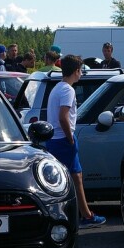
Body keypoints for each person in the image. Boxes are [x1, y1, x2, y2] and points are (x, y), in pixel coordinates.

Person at [45, 54, 106, 229]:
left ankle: (81, 214)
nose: (81, 74)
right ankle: (86, 216)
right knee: (74, 177)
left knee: (69, 178)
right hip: (63, 139)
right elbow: (63, 117)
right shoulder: (68, 90)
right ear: (77, 71)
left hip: (55, 139)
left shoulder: (57, 87)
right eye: (81, 71)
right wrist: (70, 138)